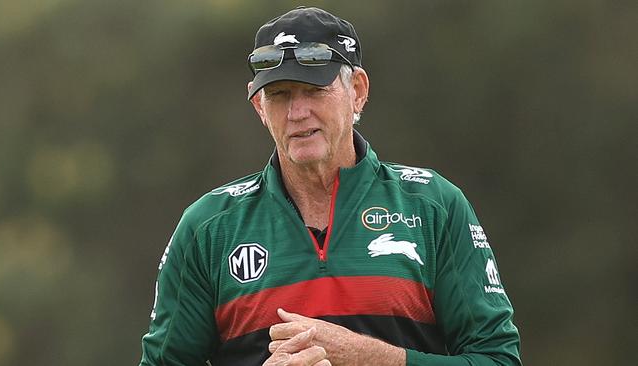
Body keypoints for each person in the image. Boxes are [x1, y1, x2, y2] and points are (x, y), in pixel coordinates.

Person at [139, 6, 522, 366]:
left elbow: (498, 358)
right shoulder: (208, 227)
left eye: (314, 90)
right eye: (279, 94)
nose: (297, 112)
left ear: (357, 90)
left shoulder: (433, 205)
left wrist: (368, 357)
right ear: (259, 107)